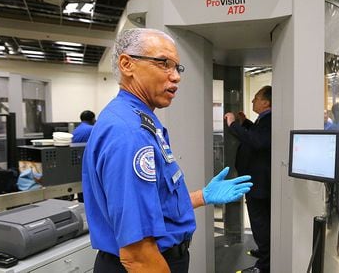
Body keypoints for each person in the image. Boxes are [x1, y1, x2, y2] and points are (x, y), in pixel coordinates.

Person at [82, 28, 253, 273]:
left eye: (177, 68)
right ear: (127, 64)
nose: (176, 77)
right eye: (164, 64)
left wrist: (201, 196)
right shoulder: (130, 133)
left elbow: (154, 202)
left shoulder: (141, 120)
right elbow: (137, 254)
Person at [224, 85, 272, 273]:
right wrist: (246, 123)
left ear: (266, 102)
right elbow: (259, 136)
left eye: (256, 98)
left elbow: (257, 141)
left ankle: (264, 266)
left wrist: (233, 124)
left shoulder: (269, 119)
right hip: (257, 182)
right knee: (261, 223)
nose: (253, 101)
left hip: (260, 185)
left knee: (260, 224)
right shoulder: (265, 120)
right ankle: (264, 253)